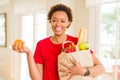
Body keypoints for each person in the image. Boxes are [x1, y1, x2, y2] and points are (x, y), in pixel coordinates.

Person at [12, 3, 105, 80]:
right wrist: (29, 53)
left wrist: (83, 71)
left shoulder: (78, 42)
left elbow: (101, 68)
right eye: (54, 20)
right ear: (50, 22)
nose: (58, 24)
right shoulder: (42, 45)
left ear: (69, 22)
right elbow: (37, 78)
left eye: (63, 21)